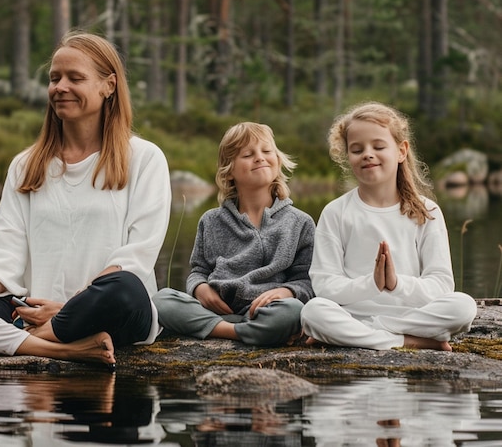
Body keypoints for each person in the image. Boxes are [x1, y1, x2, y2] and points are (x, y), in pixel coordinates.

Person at [0, 31, 172, 369]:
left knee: (124, 288)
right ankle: (59, 348)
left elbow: (137, 256)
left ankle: (26, 337)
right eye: (54, 78)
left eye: (75, 78)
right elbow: (5, 259)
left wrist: (69, 307)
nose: (60, 87)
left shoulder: (144, 159)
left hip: (108, 308)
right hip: (30, 311)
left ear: (109, 86)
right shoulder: (26, 166)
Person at [300, 101, 477, 351]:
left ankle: (369, 334)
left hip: (411, 317)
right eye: (357, 149)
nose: (368, 154)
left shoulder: (427, 212)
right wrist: (371, 284)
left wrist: (396, 284)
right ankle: (408, 342)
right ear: (347, 157)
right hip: (353, 316)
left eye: (379, 146)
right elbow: (325, 285)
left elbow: (441, 285)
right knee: (313, 312)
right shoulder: (335, 212)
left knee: (464, 306)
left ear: (401, 151)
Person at [154, 122, 315, 347]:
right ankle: (242, 332)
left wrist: (286, 291)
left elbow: (307, 281)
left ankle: (219, 330)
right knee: (161, 300)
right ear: (229, 170)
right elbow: (198, 271)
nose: (260, 158)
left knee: (294, 311)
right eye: (248, 154)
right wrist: (200, 288)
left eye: (267, 151)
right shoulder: (211, 221)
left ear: (278, 160)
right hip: (217, 309)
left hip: (267, 311)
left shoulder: (300, 222)